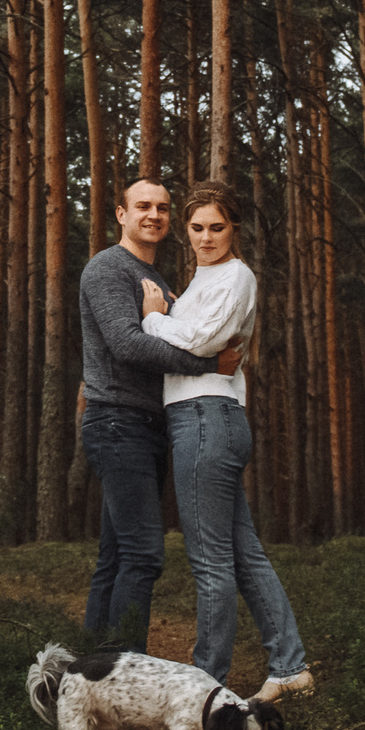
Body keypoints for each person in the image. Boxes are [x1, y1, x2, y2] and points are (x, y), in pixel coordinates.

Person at [139, 182, 312, 703]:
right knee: (243, 554)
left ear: (234, 228)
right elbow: (194, 336)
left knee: (210, 562)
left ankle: (204, 687)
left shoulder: (237, 276)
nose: (206, 237)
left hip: (206, 419)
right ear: (186, 231)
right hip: (206, 419)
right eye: (196, 228)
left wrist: (153, 318)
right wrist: (170, 311)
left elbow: (204, 342)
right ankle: (290, 667)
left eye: (217, 227)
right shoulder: (200, 281)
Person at [78, 175, 232, 652]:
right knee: (144, 555)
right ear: (121, 215)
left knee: (116, 556)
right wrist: (208, 364)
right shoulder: (107, 268)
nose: (155, 215)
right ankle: (125, 672)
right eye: (143, 206)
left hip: (146, 427)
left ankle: (91, 674)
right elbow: (126, 345)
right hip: (116, 422)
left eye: (164, 208)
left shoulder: (159, 282)